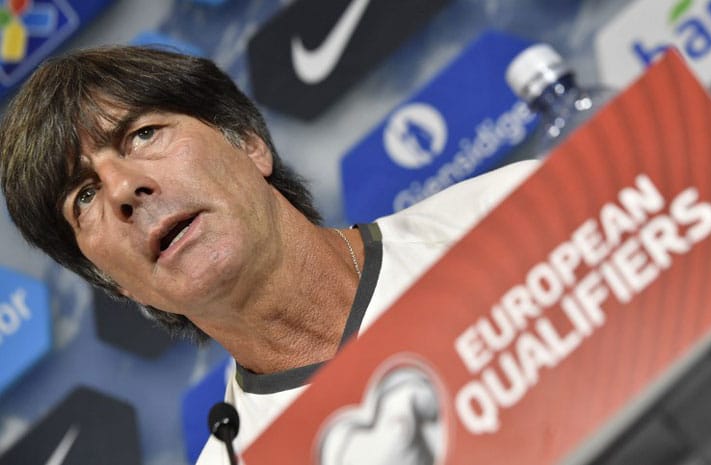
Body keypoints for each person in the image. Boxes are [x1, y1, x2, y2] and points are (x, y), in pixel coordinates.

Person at [0, 45, 538, 463]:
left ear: (248, 143)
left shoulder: (518, 215)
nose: (122, 190)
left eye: (143, 135)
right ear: (110, 281)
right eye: (84, 197)